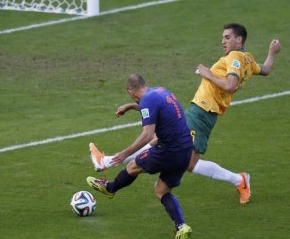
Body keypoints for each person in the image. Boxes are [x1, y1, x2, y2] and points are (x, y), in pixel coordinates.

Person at [90, 23, 281, 204]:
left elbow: (230, 86)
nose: (223, 41)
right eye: (222, 37)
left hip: (202, 113)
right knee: (173, 149)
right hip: (202, 112)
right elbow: (265, 69)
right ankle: (239, 180)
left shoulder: (235, 58)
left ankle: (107, 162)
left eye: (227, 37)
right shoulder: (247, 59)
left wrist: (209, 74)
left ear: (239, 40)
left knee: (170, 148)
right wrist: (272, 53)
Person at [87, 74, 193, 239]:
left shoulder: (147, 101)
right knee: (162, 190)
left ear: (130, 92)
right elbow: (154, 108)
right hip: (186, 150)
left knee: (132, 166)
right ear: (146, 84)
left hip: (169, 150)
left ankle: (110, 188)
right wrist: (131, 106)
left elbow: (148, 135)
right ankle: (182, 227)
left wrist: (124, 154)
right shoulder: (160, 91)